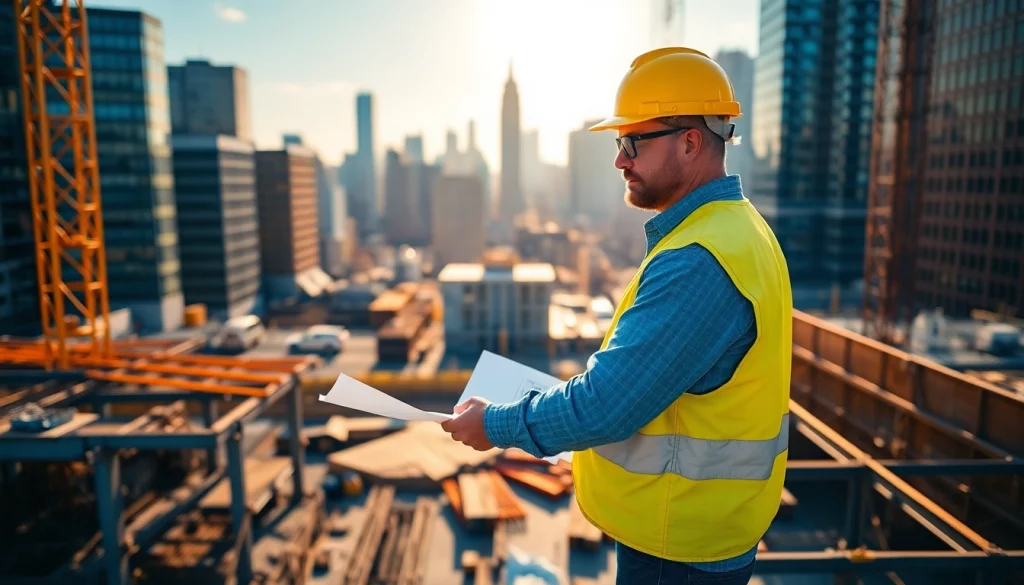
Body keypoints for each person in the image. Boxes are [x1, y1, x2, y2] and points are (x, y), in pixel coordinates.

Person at [441, 47, 792, 585]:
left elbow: (604, 408)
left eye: (632, 142)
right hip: (699, 534)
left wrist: (493, 423)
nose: (619, 160)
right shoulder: (740, 231)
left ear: (690, 142)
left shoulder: (699, 262)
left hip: (676, 550)